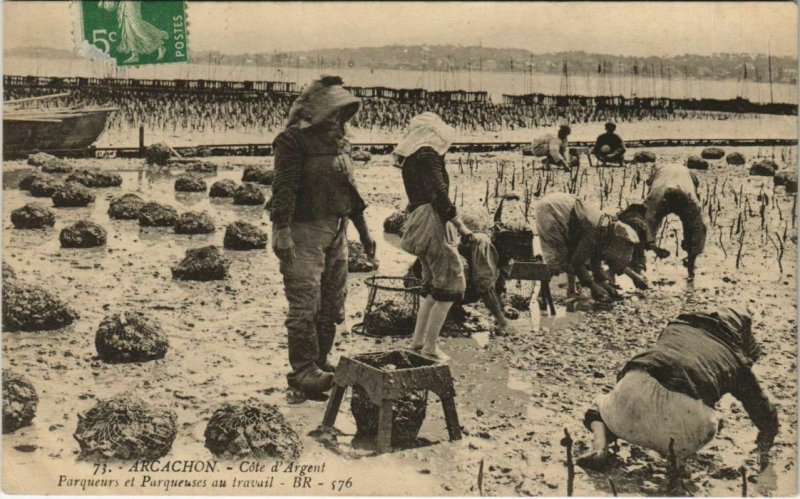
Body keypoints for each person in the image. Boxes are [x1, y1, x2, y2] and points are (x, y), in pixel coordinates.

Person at [270, 76, 375, 395]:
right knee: (305, 302)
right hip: (304, 230)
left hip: (337, 229)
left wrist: (364, 232)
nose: (336, 120)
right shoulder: (292, 141)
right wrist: (281, 229)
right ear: (315, 113)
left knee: (333, 301)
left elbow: (349, 192)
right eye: (331, 114)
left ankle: (322, 361)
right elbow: (283, 187)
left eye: (341, 114)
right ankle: (303, 368)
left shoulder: (341, 144)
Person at [577, 306, 778, 472]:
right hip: (682, 428)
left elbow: (650, 364)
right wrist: (767, 437)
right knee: (709, 419)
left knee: (600, 407)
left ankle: (600, 445)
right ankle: (676, 462)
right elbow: (760, 406)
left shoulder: (677, 328)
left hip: (631, 397)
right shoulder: (735, 360)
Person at [395, 113, 473, 361]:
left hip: (418, 217)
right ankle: (429, 346)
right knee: (451, 282)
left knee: (431, 285)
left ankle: (418, 343)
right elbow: (439, 196)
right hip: (432, 220)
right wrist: (461, 227)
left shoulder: (411, 157)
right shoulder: (428, 155)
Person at [533, 192, 640, 303]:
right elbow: (576, 263)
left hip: (565, 208)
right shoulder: (594, 232)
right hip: (552, 210)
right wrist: (592, 286)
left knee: (571, 252)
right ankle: (542, 295)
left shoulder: (605, 228)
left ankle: (570, 291)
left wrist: (602, 282)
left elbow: (595, 258)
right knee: (557, 257)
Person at [644, 163, 706, 278]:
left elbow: (649, 184)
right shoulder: (688, 172)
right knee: (695, 227)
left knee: (647, 222)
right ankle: (691, 265)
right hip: (684, 194)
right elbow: (696, 186)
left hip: (660, 193)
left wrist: (651, 240)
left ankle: (649, 250)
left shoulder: (659, 170)